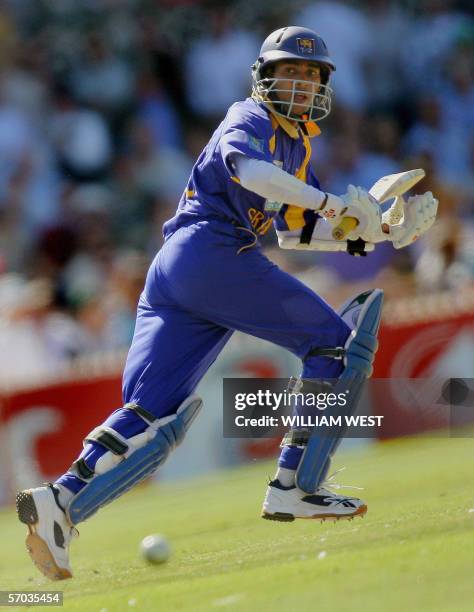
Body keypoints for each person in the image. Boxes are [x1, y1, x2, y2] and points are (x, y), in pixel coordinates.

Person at [16, 26, 438, 580]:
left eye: (310, 75)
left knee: (151, 414)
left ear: (323, 86)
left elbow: (295, 231)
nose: (300, 84)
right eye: (289, 72)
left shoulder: (298, 143)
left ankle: (59, 502)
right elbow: (252, 173)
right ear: (264, 78)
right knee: (336, 345)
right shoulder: (251, 118)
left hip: (179, 267)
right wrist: (335, 203)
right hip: (213, 251)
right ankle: (295, 485)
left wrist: (380, 231)